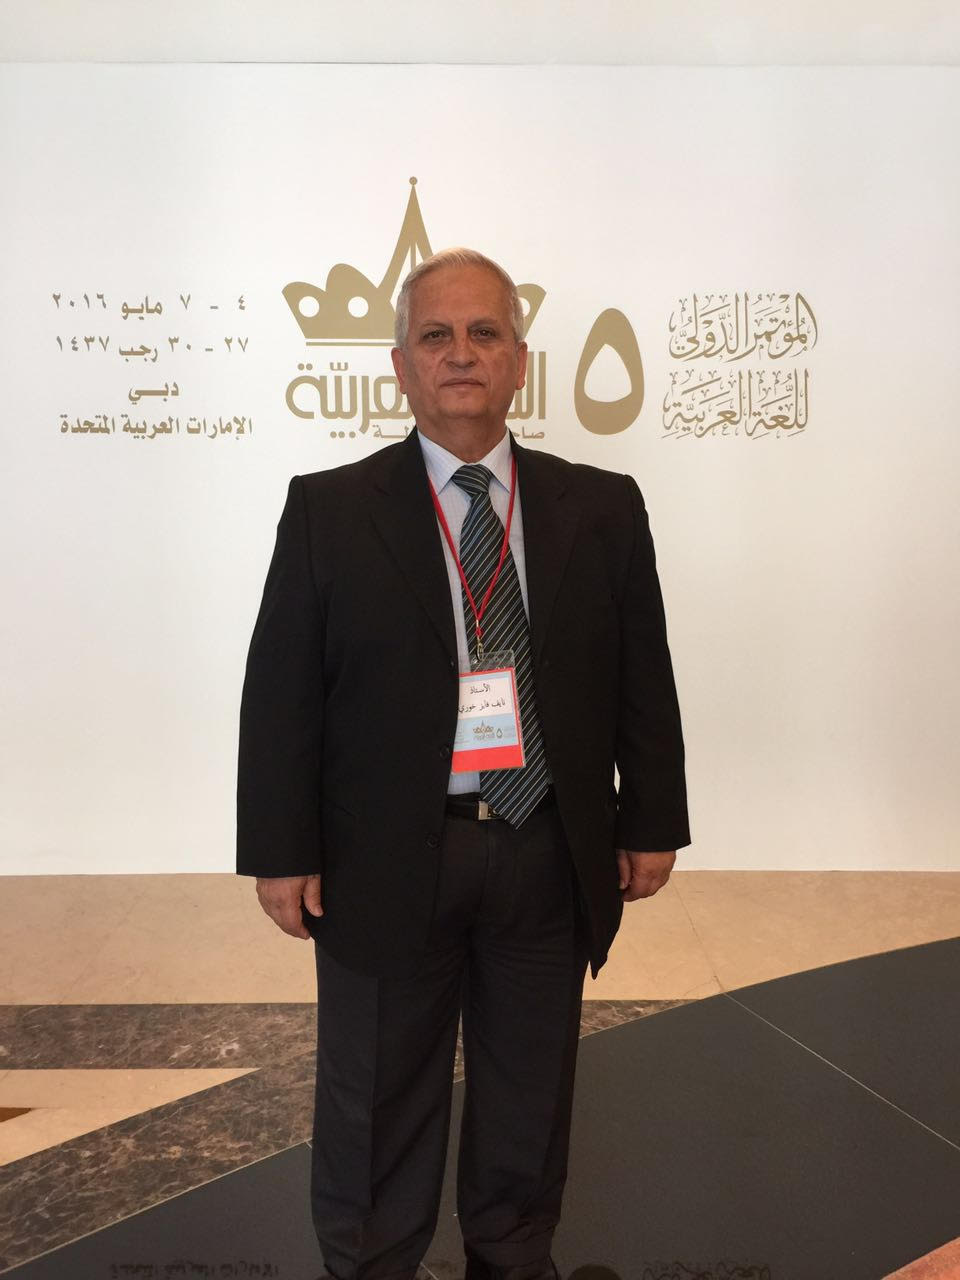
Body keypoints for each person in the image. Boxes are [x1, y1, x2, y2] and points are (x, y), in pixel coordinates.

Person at [236, 247, 691, 1280]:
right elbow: (282, 692)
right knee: (376, 1093)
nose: (460, 353)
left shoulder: (601, 506)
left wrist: (652, 817)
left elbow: (642, 672)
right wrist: (280, 848)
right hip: (386, 854)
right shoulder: (329, 509)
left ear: (519, 362)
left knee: (529, 1089)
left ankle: (514, 1250)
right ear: (401, 366)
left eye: (484, 332)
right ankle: (370, 1257)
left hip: (545, 845)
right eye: (435, 335)